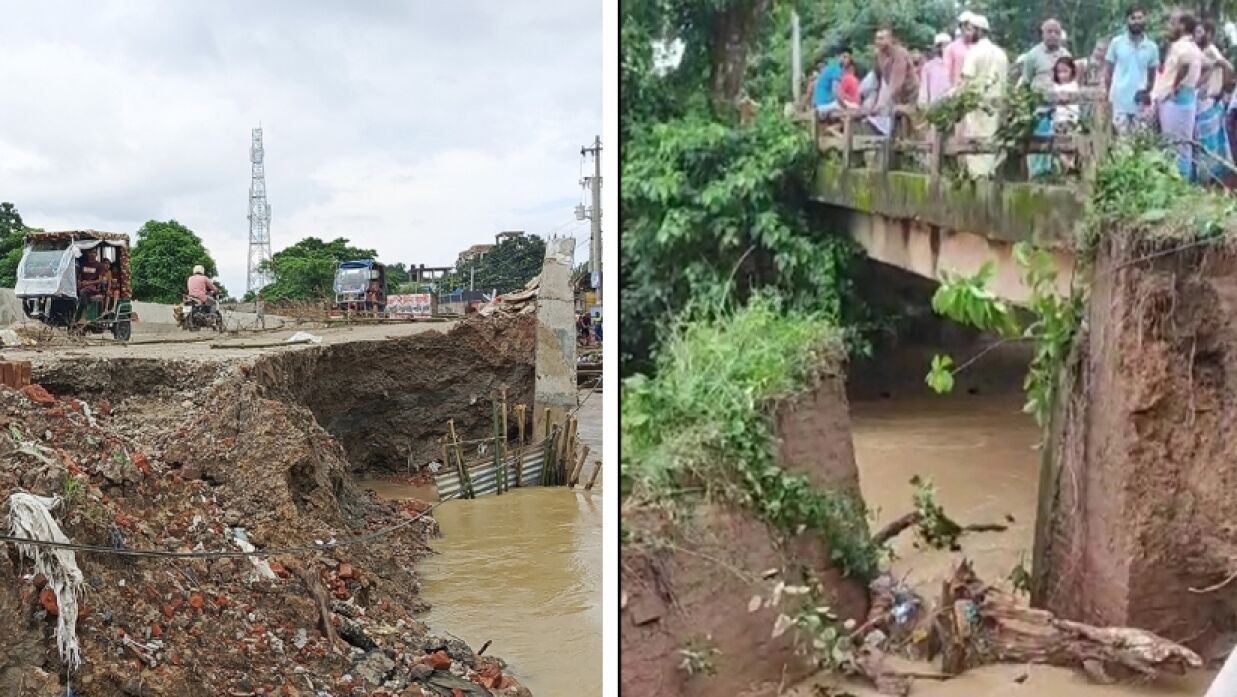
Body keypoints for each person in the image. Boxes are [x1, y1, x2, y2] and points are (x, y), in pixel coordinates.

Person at [1152, 9, 1203, 180]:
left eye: (1172, 23)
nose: (1169, 27)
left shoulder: (1182, 46)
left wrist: (1174, 86)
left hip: (1176, 100)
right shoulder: (1192, 46)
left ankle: (1179, 180)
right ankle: (1181, 180)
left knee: (1175, 144)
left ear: (1182, 26)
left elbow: (1186, 64)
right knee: (1181, 144)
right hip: (1184, 97)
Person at [958, 15, 1008, 178]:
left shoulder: (974, 52)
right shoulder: (1001, 53)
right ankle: (991, 175)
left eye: (971, 29)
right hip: (998, 106)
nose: (967, 33)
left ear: (979, 31)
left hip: (977, 106)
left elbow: (966, 80)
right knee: (993, 139)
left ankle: (978, 178)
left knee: (976, 143)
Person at [1022, 19, 1072, 178]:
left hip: (1062, 111)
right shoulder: (1032, 55)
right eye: (1049, 31)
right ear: (1042, 33)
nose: (1052, 35)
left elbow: (1072, 81)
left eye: (1056, 32)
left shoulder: (1066, 55)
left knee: (1062, 145)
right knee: (1039, 145)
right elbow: (1026, 82)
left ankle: (1059, 176)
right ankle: (1037, 177)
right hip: (1040, 110)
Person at [1106, 6, 1161, 135]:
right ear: (1127, 20)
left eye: (1140, 18)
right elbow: (1108, 73)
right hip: (1119, 100)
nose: (1136, 21)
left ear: (1145, 19)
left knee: (1138, 142)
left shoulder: (1152, 47)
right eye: (1133, 18)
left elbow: (1152, 76)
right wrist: (1108, 94)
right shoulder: (1116, 43)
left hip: (1140, 101)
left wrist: (1146, 92)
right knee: (1120, 140)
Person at [1194, 20, 1234, 183]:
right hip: (1203, 101)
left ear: (1209, 34)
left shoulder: (1210, 51)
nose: (1197, 35)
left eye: (1200, 32)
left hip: (1209, 101)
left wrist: (1222, 90)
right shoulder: (1200, 51)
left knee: (1209, 141)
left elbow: (1228, 67)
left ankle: (1210, 177)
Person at [870, 28, 918, 135]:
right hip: (895, 96)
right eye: (877, 39)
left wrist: (883, 104)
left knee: (895, 114)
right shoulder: (878, 55)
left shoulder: (899, 54)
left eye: (882, 39)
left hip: (910, 94)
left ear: (890, 39)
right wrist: (873, 103)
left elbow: (897, 82)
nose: (878, 42)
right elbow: (876, 81)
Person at [1052, 57, 1082, 173]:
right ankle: (1066, 167)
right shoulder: (1055, 87)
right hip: (1058, 120)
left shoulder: (1074, 86)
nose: (1062, 75)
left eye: (1065, 71)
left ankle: (1071, 165)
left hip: (1071, 119)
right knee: (1059, 145)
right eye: (1059, 72)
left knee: (1071, 144)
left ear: (1072, 71)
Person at [813, 48, 855, 117]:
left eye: (848, 58)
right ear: (837, 57)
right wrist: (844, 105)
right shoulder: (836, 69)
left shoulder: (831, 67)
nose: (845, 60)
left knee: (849, 105)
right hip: (824, 105)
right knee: (854, 108)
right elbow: (835, 91)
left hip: (821, 104)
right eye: (843, 57)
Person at [919, 33, 953, 107]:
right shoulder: (928, 66)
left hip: (950, 105)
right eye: (944, 45)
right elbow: (924, 89)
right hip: (933, 107)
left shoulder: (953, 64)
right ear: (937, 47)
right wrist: (923, 105)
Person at [944, 11, 976, 87]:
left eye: (972, 25)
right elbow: (946, 73)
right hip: (957, 93)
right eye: (965, 24)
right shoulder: (951, 48)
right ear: (960, 27)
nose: (969, 27)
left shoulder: (980, 47)